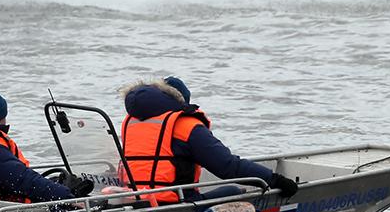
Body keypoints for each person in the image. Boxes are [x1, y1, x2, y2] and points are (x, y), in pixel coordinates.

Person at [120, 77, 299, 203]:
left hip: (137, 201)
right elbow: (228, 167)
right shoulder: (184, 125)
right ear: (179, 101)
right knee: (235, 192)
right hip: (176, 204)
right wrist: (276, 180)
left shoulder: (132, 123)